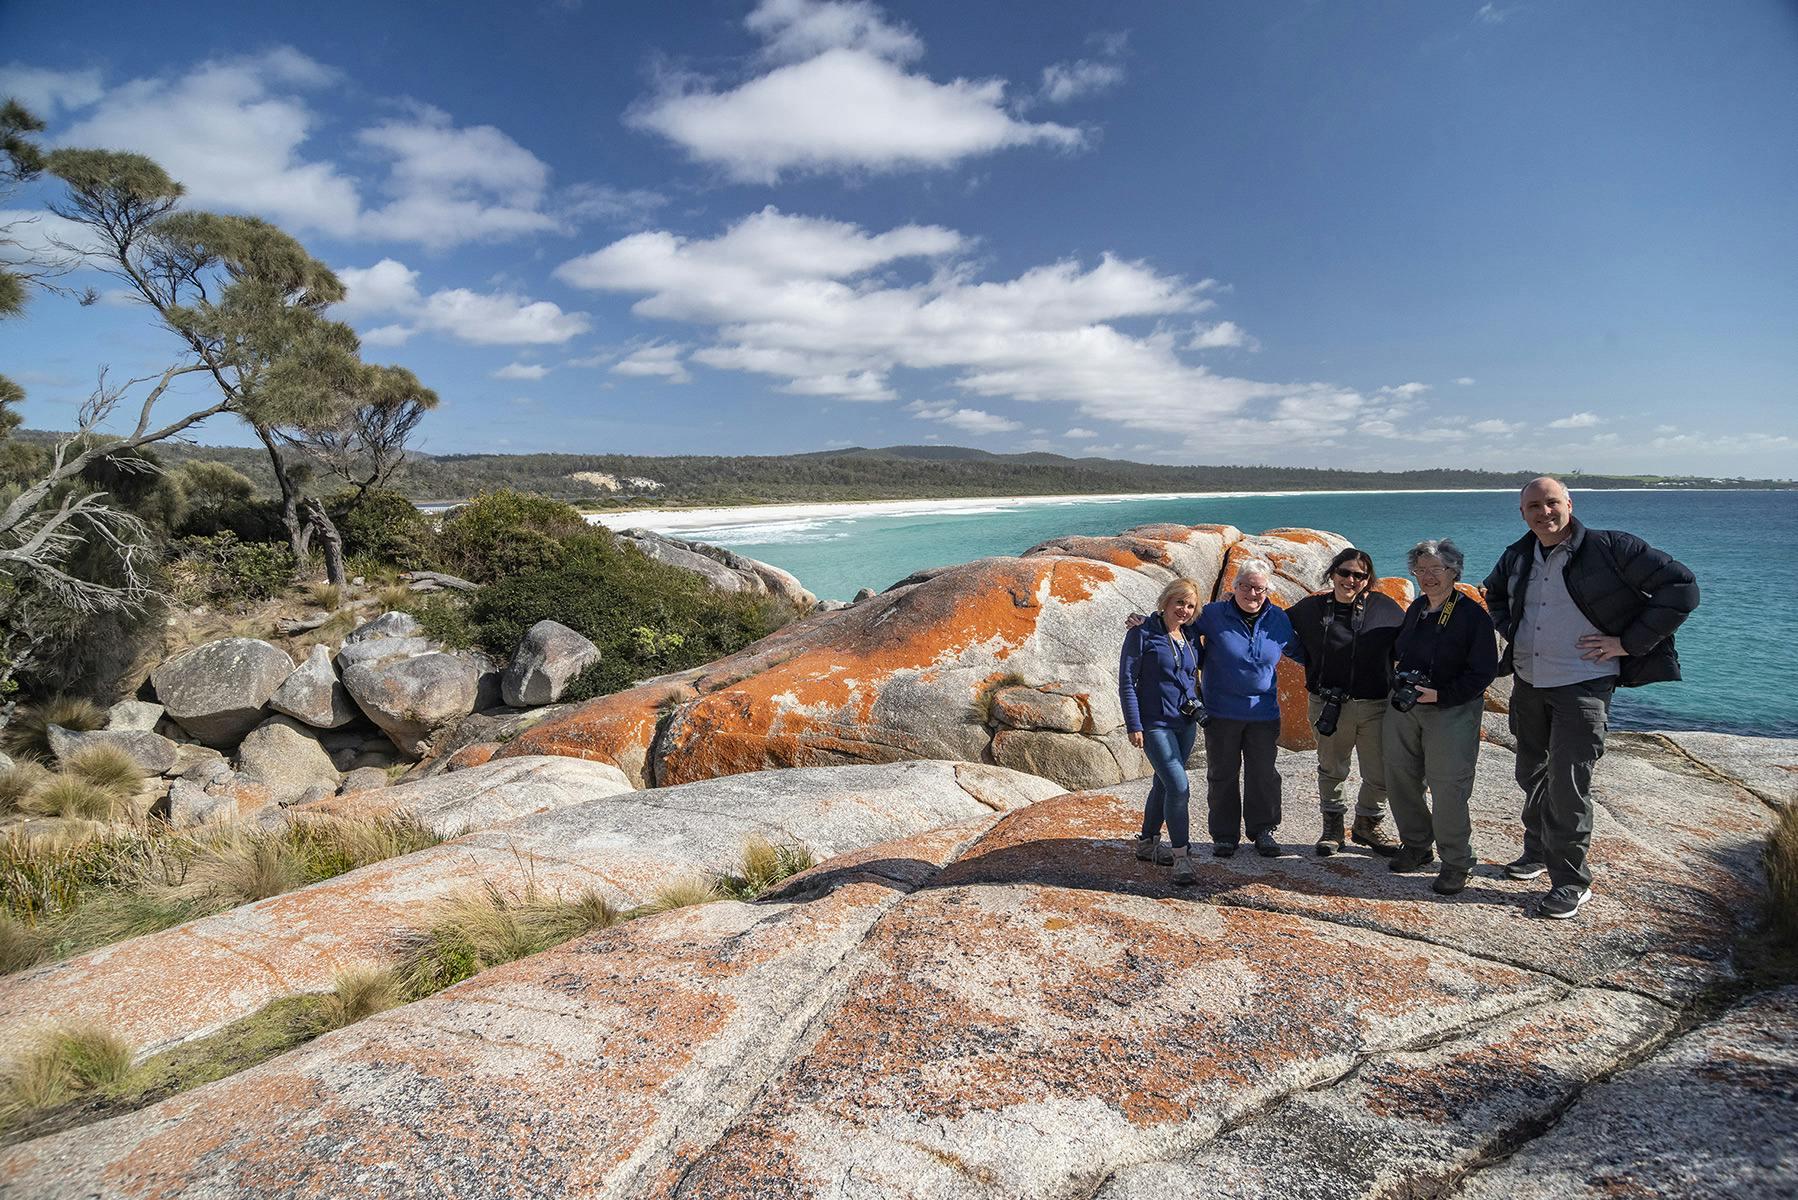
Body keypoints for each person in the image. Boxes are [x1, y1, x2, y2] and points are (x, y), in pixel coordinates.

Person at [1482, 477, 1699, 919]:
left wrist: (1628, 642)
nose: (1544, 513)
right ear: (1523, 513)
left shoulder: (1612, 547)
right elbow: (1495, 595)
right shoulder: (1518, 555)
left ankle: (1572, 882)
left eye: (1551, 503)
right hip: (1528, 681)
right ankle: (1539, 850)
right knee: (1532, 772)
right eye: (1534, 507)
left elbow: (1682, 589)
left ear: (1569, 503)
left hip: (1583, 685)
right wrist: (1511, 630)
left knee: (1568, 783)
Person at [1385, 539, 1498, 896]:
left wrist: (1443, 694)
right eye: (1421, 570)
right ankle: (1417, 845)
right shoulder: (1418, 607)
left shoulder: (1471, 614)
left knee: (1448, 787)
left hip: (1451, 710)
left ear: (1454, 572)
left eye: (1437, 569)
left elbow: (1484, 672)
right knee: (1401, 777)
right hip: (1409, 706)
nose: (1428, 577)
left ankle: (1457, 862)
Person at [1283, 547, 1407, 857]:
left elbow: (1408, 646)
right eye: (1344, 572)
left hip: (1376, 705)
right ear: (1333, 573)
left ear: (1368, 580)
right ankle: (1332, 828)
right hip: (1328, 705)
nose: (1350, 580)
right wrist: (1306, 658)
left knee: (1379, 771)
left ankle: (1367, 823)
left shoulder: (1386, 609)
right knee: (1332, 768)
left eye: (1359, 575)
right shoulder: (1310, 609)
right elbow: (1274, 627)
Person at [1194, 559, 1296, 858]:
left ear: (1268, 591)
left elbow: (1301, 650)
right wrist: (1146, 623)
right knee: (1222, 774)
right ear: (1235, 587)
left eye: (1260, 588)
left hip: (1263, 714)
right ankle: (1224, 836)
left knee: (1263, 774)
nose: (1253, 594)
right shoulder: (1213, 614)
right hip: (1221, 713)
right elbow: (1179, 626)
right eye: (1247, 587)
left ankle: (1263, 831)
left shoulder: (1278, 619)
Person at [1118, 578, 1205, 884]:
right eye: (1179, 602)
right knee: (1179, 787)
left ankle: (1146, 843)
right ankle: (1181, 857)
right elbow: (1127, 681)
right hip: (1155, 723)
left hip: (1185, 723)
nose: (1184, 609)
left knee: (1164, 783)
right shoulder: (1142, 633)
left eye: (1190, 605)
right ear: (1166, 602)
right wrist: (1134, 724)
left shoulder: (1191, 634)